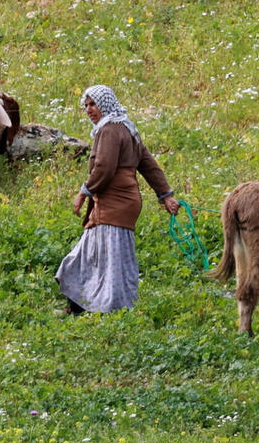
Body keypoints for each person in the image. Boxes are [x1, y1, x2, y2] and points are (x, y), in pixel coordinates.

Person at [55, 84, 179, 315]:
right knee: (97, 254)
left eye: (93, 104)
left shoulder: (110, 130)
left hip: (115, 203)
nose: (89, 109)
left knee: (99, 257)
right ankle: (83, 306)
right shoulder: (126, 127)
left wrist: (84, 192)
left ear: (105, 104)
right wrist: (166, 195)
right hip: (122, 203)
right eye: (86, 105)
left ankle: (109, 307)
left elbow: (104, 168)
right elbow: (148, 165)